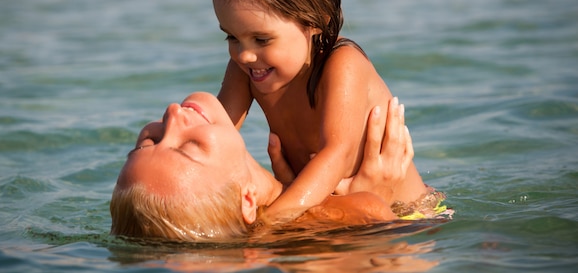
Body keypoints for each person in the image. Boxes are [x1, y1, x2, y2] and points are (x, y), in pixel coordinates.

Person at [202, 0, 428, 222]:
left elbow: (336, 155)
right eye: (232, 37)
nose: (244, 54)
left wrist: (271, 221)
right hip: (336, 210)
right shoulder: (247, 69)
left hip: (410, 216)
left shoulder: (341, 64)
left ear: (315, 20)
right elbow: (215, 133)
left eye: (261, 39)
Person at [110, 91, 442, 241]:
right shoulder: (357, 208)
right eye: (189, 146)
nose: (171, 114)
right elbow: (426, 234)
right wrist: (387, 200)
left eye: (147, 143)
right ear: (248, 200)